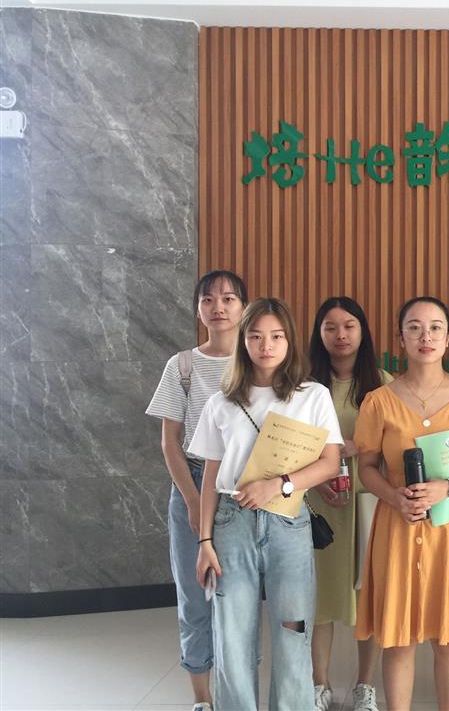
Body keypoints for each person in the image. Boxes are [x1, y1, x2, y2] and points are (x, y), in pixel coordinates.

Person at [191, 297, 344, 710]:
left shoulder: (312, 396)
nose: (266, 345)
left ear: (290, 341)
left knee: (293, 630)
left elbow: (330, 462)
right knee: (232, 635)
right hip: (231, 522)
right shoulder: (222, 401)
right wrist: (204, 541)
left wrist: (279, 485)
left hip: (288, 522)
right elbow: (210, 476)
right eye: (256, 336)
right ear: (243, 341)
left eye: (276, 336)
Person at [354, 296, 449, 711]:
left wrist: (448, 488)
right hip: (397, 529)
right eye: (415, 327)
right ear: (400, 337)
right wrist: (393, 496)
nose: (426, 336)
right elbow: (367, 467)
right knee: (397, 639)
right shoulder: (379, 401)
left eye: (436, 328)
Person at [145, 269, 248, 711]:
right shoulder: (182, 365)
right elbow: (170, 441)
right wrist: (191, 500)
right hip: (191, 479)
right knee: (194, 598)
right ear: (198, 309)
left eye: (228, 298)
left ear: (244, 307)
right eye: (208, 299)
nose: (218, 307)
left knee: (239, 601)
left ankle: (238, 694)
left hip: (242, 488)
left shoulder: (258, 361)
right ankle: (202, 699)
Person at [307, 297, 394, 711]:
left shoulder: (383, 383)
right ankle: (319, 684)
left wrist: (360, 446)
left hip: (369, 502)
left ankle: (364, 685)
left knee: (367, 598)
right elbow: (289, 440)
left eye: (349, 326)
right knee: (319, 598)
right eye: (330, 327)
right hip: (319, 500)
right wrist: (320, 471)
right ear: (319, 334)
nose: (340, 335)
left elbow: (397, 443)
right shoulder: (304, 385)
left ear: (363, 331)